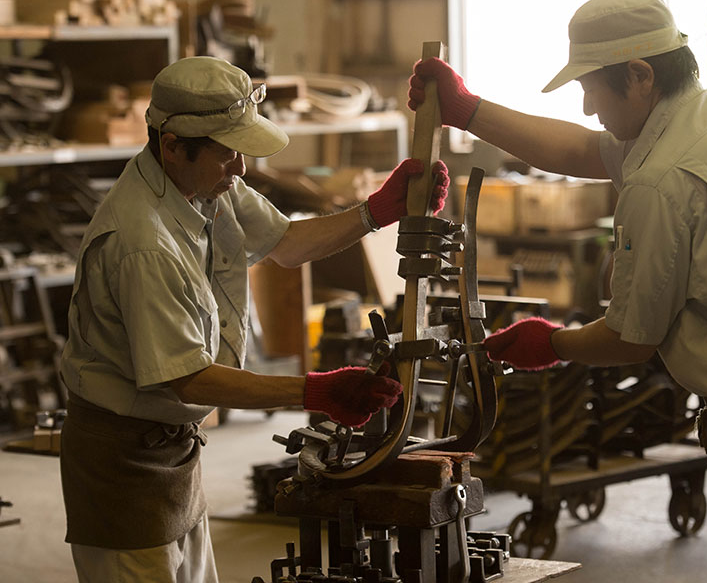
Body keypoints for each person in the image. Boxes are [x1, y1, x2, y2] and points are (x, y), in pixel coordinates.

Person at [408, 0, 707, 582]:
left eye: (590, 89)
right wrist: (469, 109)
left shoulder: (661, 180)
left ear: (639, 76)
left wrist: (551, 344)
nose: (586, 107)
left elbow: (632, 339)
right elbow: (582, 149)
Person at [59, 55, 449, 583]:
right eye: (228, 153)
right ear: (172, 145)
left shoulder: (205, 182)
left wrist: (376, 210)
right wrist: (313, 392)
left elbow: (286, 244)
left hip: (172, 450)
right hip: (120, 461)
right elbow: (187, 378)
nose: (241, 168)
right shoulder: (142, 243)